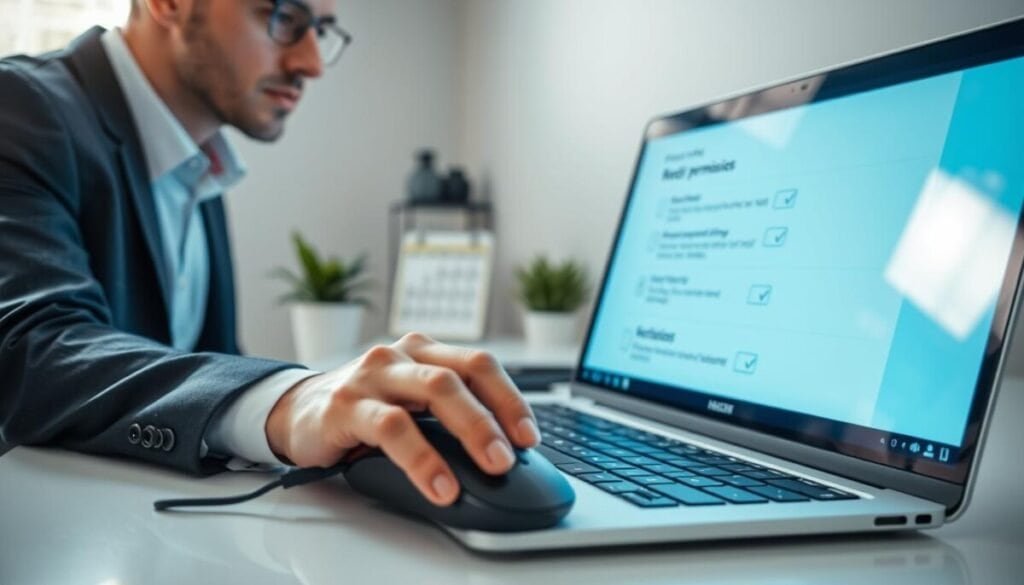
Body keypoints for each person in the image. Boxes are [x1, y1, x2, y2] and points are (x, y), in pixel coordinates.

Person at [0, 0, 539, 508]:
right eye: (283, 16)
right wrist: (289, 403)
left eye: (321, 30)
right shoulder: (19, 107)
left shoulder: (198, 163)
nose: (311, 62)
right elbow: (32, 349)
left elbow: (200, 366)